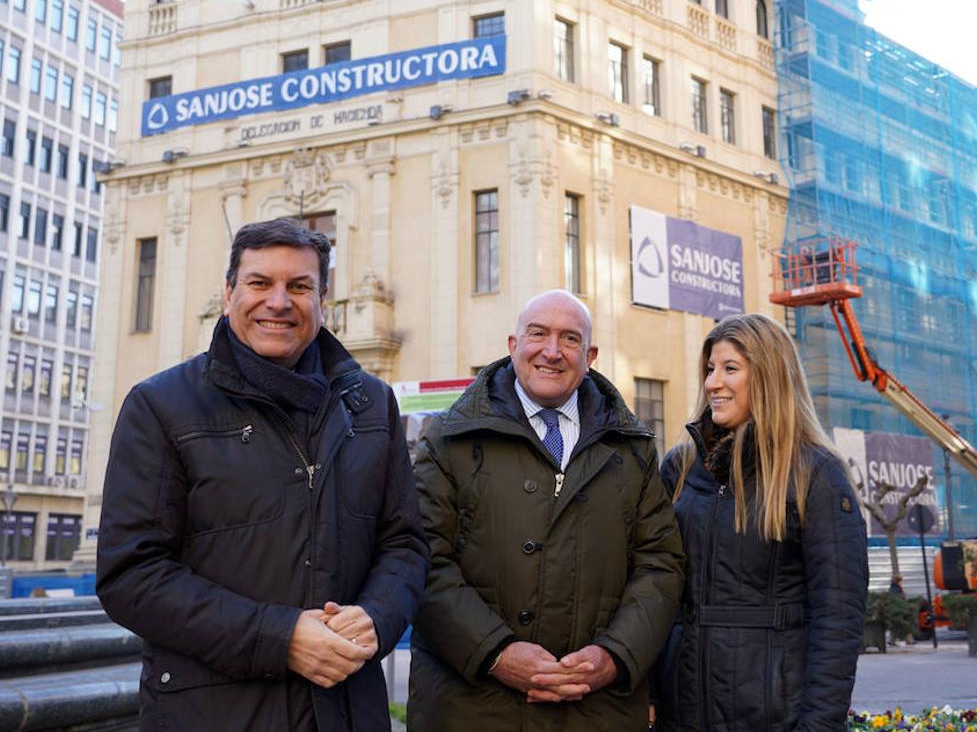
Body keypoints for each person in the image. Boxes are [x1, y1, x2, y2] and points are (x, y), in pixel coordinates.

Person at [96, 218, 429, 732]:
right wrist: (280, 638)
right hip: (212, 714)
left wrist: (378, 616)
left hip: (346, 709)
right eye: (259, 283)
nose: (279, 301)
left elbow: (404, 544)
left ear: (324, 300)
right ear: (230, 293)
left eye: (299, 286)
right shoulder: (160, 405)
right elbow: (130, 575)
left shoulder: (372, 404)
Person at [409, 289, 685, 731]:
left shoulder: (632, 448)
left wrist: (615, 655)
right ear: (513, 345)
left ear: (590, 354)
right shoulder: (448, 440)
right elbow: (421, 559)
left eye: (569, 339)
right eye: (538, 334)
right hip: (472, 707)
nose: (552, 352)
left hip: (596, 709)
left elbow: (661, 564)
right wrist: (495, 653)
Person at [655, 313, 869, 732]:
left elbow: (839, 619)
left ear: (769, 376)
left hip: (774, 715)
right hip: (681, 712)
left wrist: (819, 724)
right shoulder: (679, 468)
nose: (713, 383)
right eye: (710, 369)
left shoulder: (817, 474)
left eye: (730, 369)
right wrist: (647, 691)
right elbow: (653, 589)